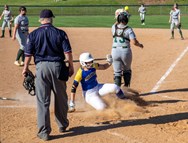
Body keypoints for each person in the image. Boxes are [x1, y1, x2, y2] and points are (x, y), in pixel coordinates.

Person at [22, 9, 74, 141]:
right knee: (61, 98)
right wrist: (71, 66)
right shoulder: (60, 33)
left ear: (40, 20)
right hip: (58, 66)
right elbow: (67, 52)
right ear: (51, 19)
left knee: (42, 101)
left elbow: (28, 54)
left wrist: (25, 68)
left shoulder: (33, 35)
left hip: (41, 68)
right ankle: (62, 125)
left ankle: (44, 132)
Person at [111, 12, 143, 88]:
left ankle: (118, 91)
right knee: (127, 70)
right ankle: (126, 88)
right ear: (126, 19)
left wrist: (118, 16)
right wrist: (140, 45)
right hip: (125, 52)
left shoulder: (113, 27)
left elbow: (116, 23)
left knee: (117, 72)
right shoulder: (128, 29)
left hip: (114, 52)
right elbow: (134, 42)